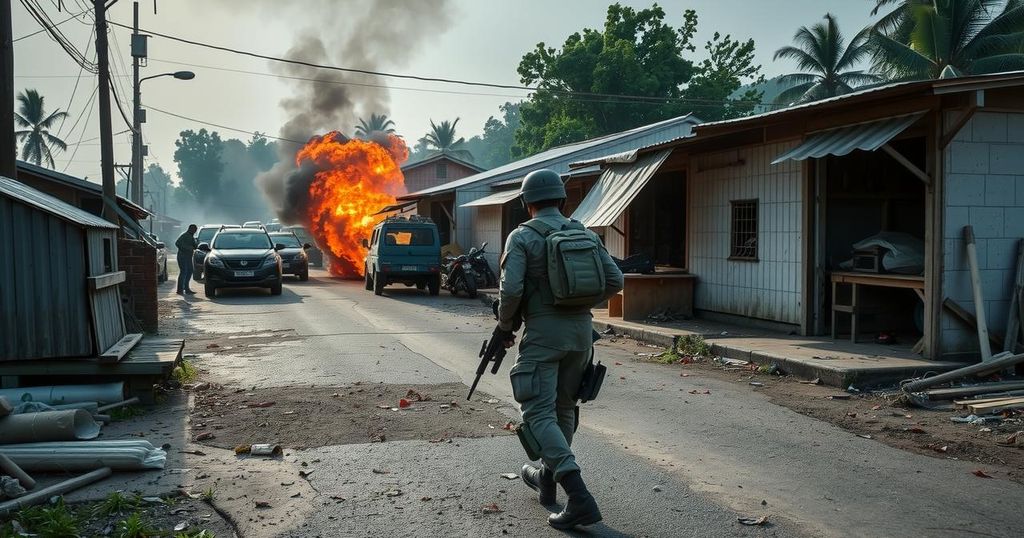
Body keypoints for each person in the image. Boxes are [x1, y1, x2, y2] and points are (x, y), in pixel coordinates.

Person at [496, 169, 624, 529]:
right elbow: (615, 280)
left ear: (526, 202)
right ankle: (547, 479)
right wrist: (577, 303)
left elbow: (511, 292)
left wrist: (506, 325)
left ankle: (579, 496)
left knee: (537, 412)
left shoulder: (521, 236)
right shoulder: (582, 231)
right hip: (582, 334)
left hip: (543, 334)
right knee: (564, 409)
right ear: (562, 200)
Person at [175, 224, 199, 295]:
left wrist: (196, 242)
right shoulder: (184, 235)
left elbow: (195, 246)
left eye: (195, 230)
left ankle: (186, 288)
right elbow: (177, 243)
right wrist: (188, 248)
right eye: (194, 230)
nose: (195, 231)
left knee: (190, 271)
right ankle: (180, 289)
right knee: (184, 272)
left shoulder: (191, 237)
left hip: (188, 257)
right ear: (190, 229)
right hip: (182, 257)